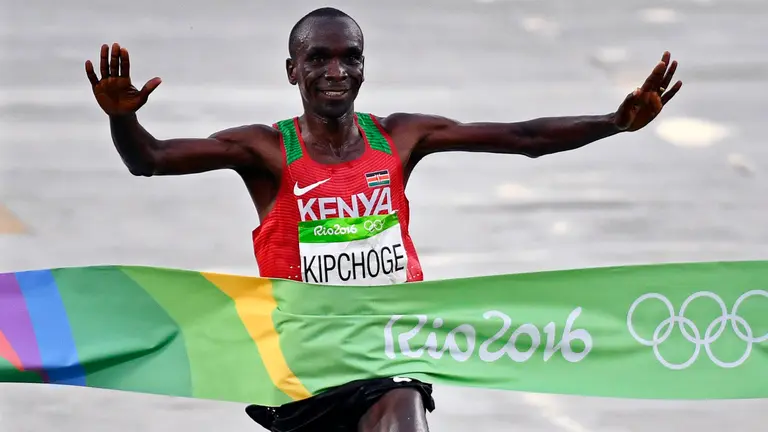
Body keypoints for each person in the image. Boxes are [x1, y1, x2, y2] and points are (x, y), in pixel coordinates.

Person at [84, 6, 682, 432]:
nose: (335, 71)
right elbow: (153, 160)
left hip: (391, 342)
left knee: (403, 412)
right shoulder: (266, 150)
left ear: (365, 67)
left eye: (349, 58)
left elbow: (522, 138)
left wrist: (613, 122)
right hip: (306, 354)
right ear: (292, 71)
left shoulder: (398, 138)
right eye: (317, 59)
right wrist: (121, 120)